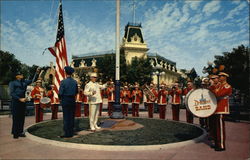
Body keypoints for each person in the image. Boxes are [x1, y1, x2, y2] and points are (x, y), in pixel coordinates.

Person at [9, 70, 39, 139]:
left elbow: (32, 80)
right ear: (17, 76)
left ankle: (20, 132)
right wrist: (19, 99)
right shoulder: (12, 83)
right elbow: (12, 93)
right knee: (16, 117)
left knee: (22, 117)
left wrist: (36, 73)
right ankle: (15, 133)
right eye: (20, 74)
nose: (22, 75)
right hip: (16, 101)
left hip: (23, 101)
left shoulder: (24, 82)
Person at [213, 72, 232, 151]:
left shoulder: (227, 86)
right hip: (217, 108)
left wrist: (214, 89)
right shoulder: (219, 86)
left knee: (220, 128)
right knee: (216, 128)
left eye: (221, 76)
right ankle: (217, 144)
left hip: (222, 108)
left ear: (225, 77)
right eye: (219, 76)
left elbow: (218, 94)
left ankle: (221, 145)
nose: (219, 77)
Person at [59, 66, 78, 138]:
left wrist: (60, 99)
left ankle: (66, 133)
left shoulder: (63, 82)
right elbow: (76, 92)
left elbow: (60, 93)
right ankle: (71, 131)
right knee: (71, 116)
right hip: (72, 100)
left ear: (65, 72)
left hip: (65, 99)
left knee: (66, 117)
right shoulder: (75, 82)